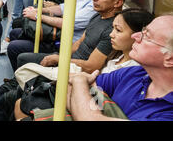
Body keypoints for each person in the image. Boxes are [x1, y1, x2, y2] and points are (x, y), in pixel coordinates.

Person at [13, 7, 155, 120]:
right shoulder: (116, 57)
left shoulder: (133, 70)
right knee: (20, 94)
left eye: (118, 30)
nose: (112, 34)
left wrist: (75, 80)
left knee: (20, 102)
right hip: (86, 96)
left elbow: (98, 91)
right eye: (113, 29)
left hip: (91, 103)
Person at [67, 15, 173, 121]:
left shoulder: (169, 114)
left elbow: (87, 117)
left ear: (170, 59)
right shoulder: (135, 73)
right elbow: (69, 87)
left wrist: (79, 81)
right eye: (142, 32)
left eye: (147, 36)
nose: (135, 36)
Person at [14, 0, 128, 73]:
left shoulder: (112, 29)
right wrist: (59, 55)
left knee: (22, 57)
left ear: (117, 3)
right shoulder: (97, 16)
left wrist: (60, 60)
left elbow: (91, 66)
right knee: (22, 55)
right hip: (70, 60)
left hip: (75, 70)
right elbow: (78, 44)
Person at [6, 0, 110, 63]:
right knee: (16, 32)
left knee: (14, 47)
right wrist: (39, 10)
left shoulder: (94, 3)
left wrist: (37, 16)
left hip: (64, 43)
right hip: (58, 35)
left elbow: (68, 24)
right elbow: (63, 8)